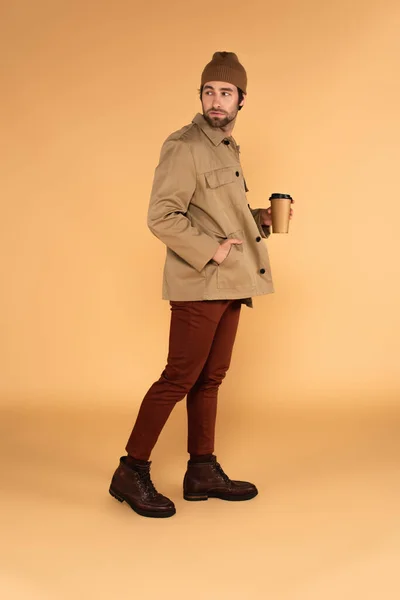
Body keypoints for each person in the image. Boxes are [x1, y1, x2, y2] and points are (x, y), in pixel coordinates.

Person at [109, 51, 294, 518]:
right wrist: (210, 249)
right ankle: (130, 471)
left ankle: (202, 470)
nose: (216, 100)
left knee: (210, 378)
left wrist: (261, 220)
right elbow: (161, 215)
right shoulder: (185, 145)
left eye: (226, 93)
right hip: (200, 281)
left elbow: (216, 215)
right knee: (179, 377)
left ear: (241, 101)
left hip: (230, 280)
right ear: (201, 96)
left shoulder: (227, 148)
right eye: (209, 91)